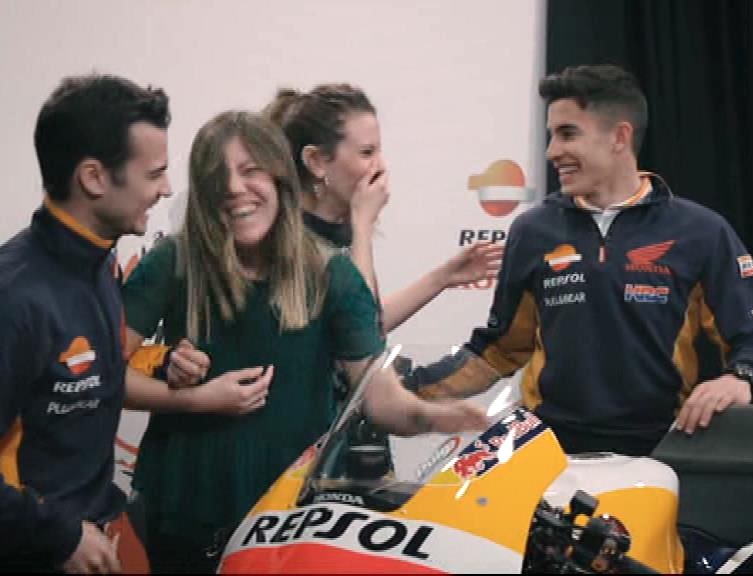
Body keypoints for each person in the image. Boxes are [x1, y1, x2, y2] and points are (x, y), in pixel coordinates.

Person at [119, 110, 487, 573]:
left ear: (280, 178)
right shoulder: (172, 261)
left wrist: (434, 417)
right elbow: (102, 377)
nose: (234, 188)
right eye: (217, 176)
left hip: (291, 518)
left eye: (251, 170)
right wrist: (196, 399)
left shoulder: (332, 273)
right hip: (186, 507)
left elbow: (379, 399)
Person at [404, 64, 753, 456]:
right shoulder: (533, 230)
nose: (552, 151)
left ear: (620, 137)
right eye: (551, 135)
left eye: (568, 134)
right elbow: (499, 350)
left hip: (659, 451)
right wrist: (403, 390)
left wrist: (741, 378)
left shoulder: (700, 231)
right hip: (546, 449)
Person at [0, 74, 172, 573]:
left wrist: (166, 363)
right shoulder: (4, 300)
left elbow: (79, 368)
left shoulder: (98, 264)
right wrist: (59, 536)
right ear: (93, 178)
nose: (166, 189)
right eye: (154, 174)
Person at [264, 84, 504, 334]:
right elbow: (361, 335)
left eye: (379, 151)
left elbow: (372, 319)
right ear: (316, 161)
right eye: (367, 153)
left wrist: (443, 277)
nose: (381, 166)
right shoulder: (288, 243)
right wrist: (363, 226)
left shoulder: (339, 231)